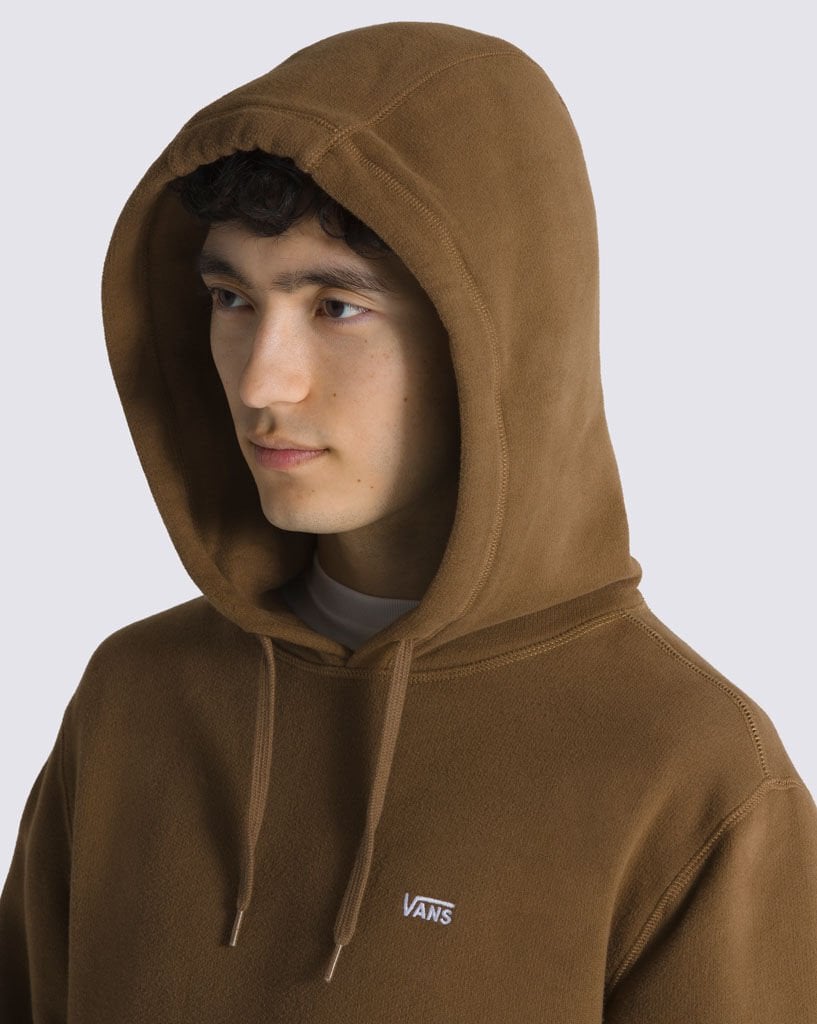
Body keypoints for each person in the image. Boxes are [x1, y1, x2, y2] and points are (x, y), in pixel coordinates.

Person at [1, 19, 815, 1021]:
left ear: (495, 338)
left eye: (335, 306)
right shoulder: (133, 698)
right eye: (231, 298)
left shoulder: (689, 772)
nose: (261, 382)